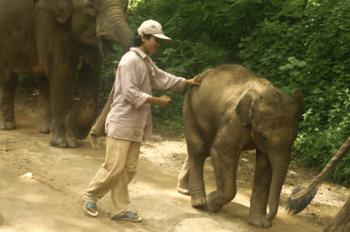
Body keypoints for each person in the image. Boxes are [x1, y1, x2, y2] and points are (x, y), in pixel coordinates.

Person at [82, 19, 199, 222]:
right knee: (114, 167)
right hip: (122, 122)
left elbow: (160, 77)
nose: (157, 44)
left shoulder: (144, 60)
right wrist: (156, 100)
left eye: (159, 41)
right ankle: (91, 195)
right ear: (143, 37)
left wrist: (185, 82)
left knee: (128, 169)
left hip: (135, 124)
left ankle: (119, 208)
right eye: (155, 40)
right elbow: (129, 92)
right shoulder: (129, 60)